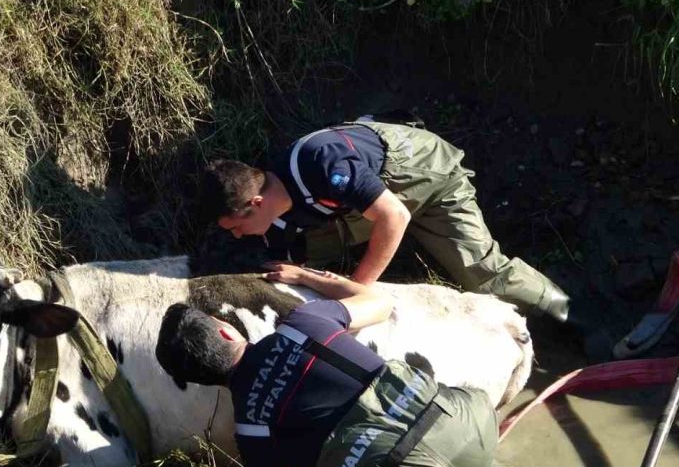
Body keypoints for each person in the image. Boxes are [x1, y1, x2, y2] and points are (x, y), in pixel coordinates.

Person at [154, 264, 501, 467]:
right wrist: (309, 276)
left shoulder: (251, 431)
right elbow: (380, 304)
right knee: (433, 412)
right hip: (474, 422)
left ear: (202, 380)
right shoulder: (303, 323)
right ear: (226, 330)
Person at [199, 117, 601, 349]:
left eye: (237, 228)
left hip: (429, 179)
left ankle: (576, 313)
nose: (238, 236)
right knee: (300, 255)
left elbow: (394, 216)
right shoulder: (276, 211)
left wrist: (357, 293)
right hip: (371, 200)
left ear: (254, 203)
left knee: (480, 272)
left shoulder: (320, 163)